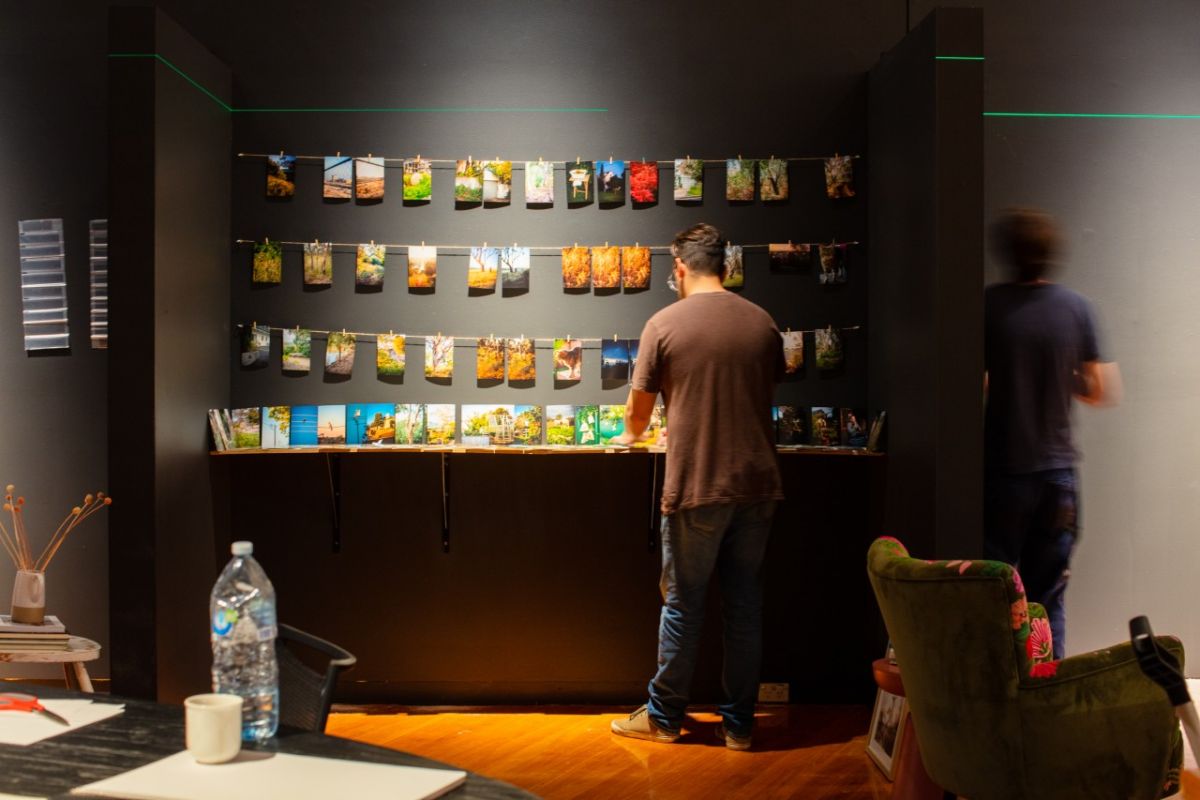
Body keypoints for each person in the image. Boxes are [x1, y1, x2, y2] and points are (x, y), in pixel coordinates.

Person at [609, 222, 785, 750]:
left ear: (680, 267)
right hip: (758, 484)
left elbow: (637, 419)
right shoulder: (763, 323)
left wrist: (632, 432)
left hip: (696, 484)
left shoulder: (663, 324)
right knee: (745, 604)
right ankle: (739, 725)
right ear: (726, 267)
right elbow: (764, 387)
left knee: (684, 603)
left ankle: (664, 717)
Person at [983, 208, 1121, 659]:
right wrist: (1063, 375)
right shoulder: (1078, 308)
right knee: (1049, 595)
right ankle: (1046, 690)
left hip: (1003, 469)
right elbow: (1102, 390)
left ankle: (1000, 690)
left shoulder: (988, 305)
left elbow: (973, 382)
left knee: (996, 590)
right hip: (1057, 472)